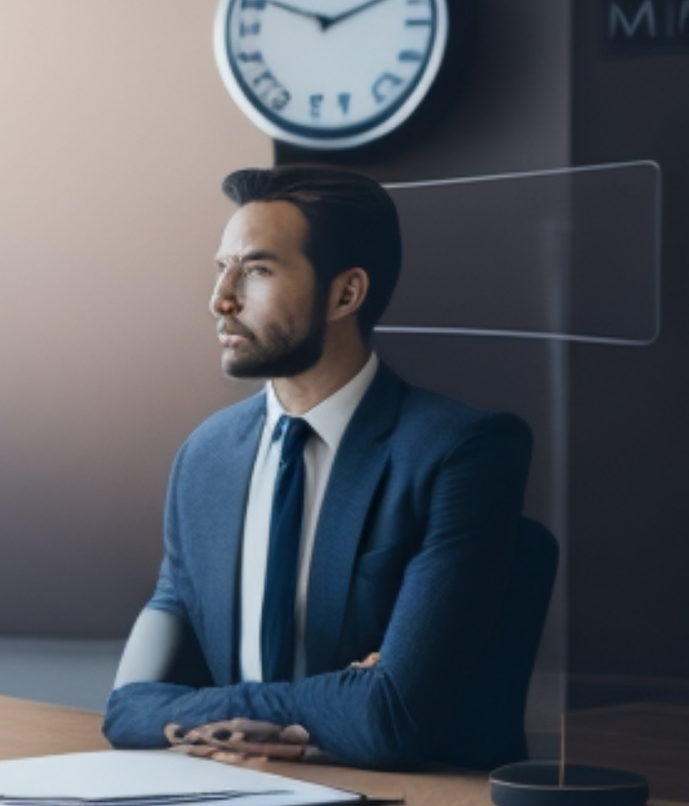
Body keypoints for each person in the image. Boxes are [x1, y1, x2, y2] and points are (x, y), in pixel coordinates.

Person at [102, 166, 534, 770]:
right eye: (221, 268)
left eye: (255, 270)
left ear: (345, 294)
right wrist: (338, 695)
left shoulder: (461, 452)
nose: (220, 298)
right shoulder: (205, 459)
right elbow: (127, 711)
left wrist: (201, 711)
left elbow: (390, 718)